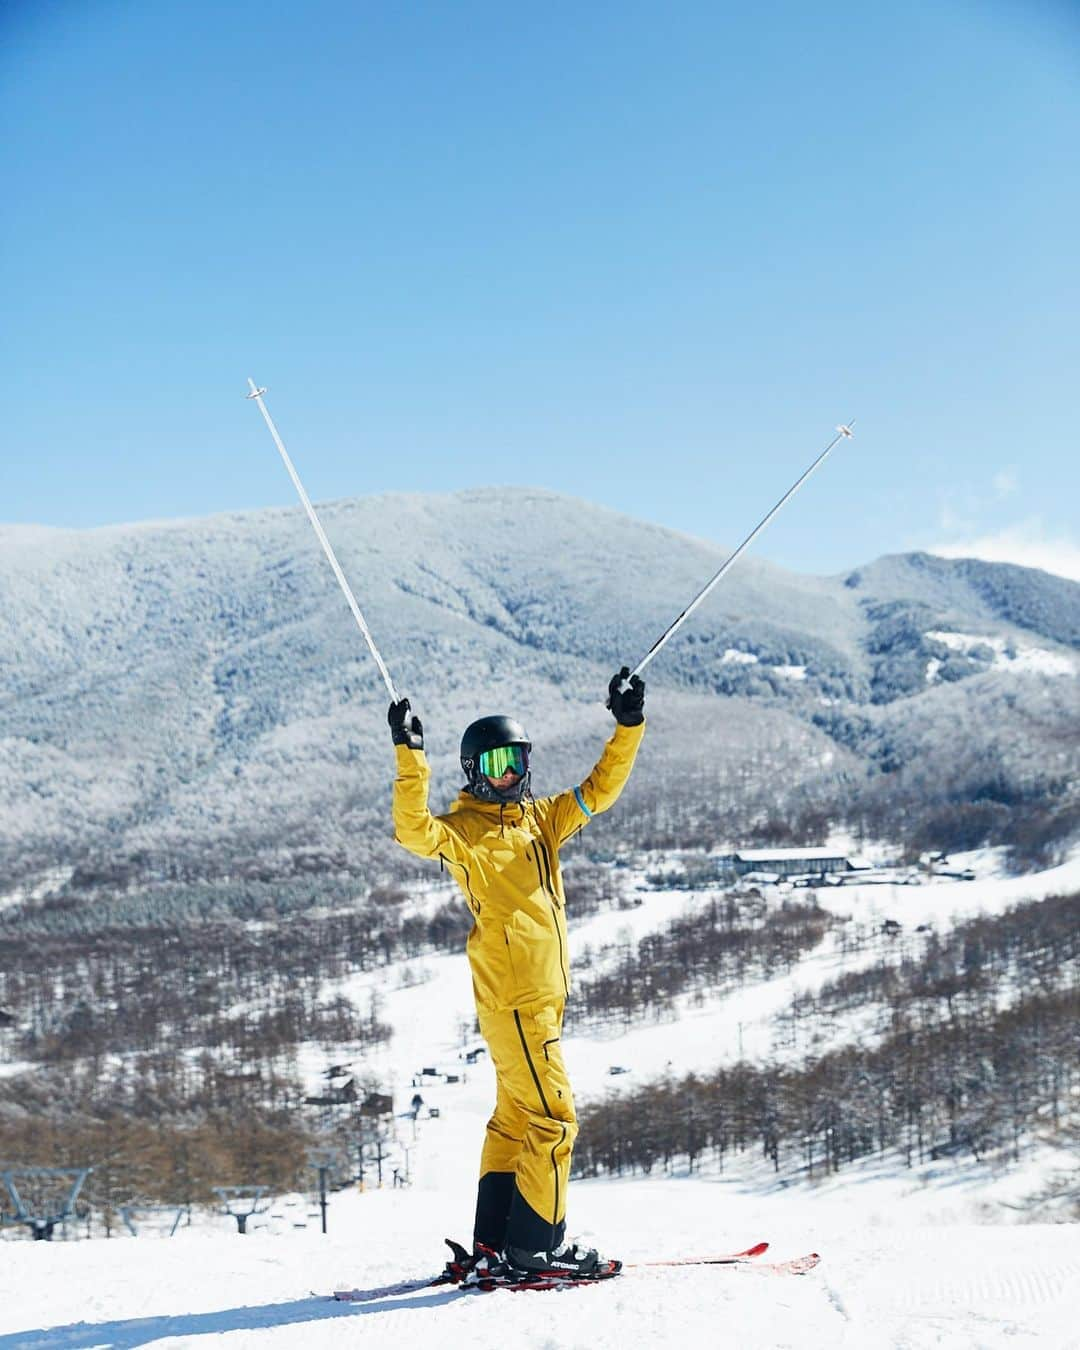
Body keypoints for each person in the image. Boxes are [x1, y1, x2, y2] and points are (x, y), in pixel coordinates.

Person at [388, 667, 645, 1280]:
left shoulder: (542, 823)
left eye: (515, 760)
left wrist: (628, 725)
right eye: (494, 762)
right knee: (555, 1121)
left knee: (515, 1119)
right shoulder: (465, 833)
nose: (506, 773)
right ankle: (537, 1247)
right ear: (474, 770)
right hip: (516, 1001)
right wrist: (410, 757)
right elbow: (413, 831)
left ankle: (495, 1240)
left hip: (539, 1001)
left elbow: (599, 789)